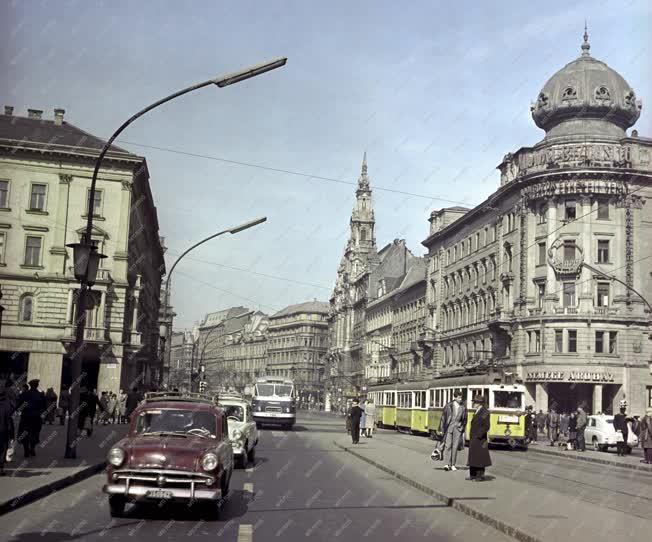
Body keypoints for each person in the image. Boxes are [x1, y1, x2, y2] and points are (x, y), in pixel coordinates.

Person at [439, 390, 467, 471]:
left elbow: (465, 419)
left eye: (461, 397)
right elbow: (443, 417)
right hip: (449, 428)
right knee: (448, 446)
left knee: (455, 447)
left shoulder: (463, 407)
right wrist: (441, 429)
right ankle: (447, 464)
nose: (460, 399)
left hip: (458, 429)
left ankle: (453, 464)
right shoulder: (449, 406)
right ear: (455, 397)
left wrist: (462, 427)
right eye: (459, 397)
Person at [17, 379, 46, 457]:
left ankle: (26, 450)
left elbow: (18, 406)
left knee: (25, 433)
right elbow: (44, 407)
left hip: (26, 417)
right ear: (37, 385)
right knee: (35, 434)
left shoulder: (24, 394)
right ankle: (32, 448)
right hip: (36, 418)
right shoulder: (41, 395)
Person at [467, 394, 491, 481]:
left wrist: (478, 435)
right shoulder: (477, 411)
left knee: (480, 457)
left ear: (479, 403)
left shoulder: (485, 412)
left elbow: (486, 426)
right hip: (474, 437)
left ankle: (480, 476)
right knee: (473, 456)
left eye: (474, 402)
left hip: (480, 439)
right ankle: (472, 475)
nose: (473, 403)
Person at [0, 385, 15, 476]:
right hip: (3, 431)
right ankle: (1, 469)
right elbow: (9, 421)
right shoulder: (7, 404)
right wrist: (12, 435)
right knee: (2, 450)